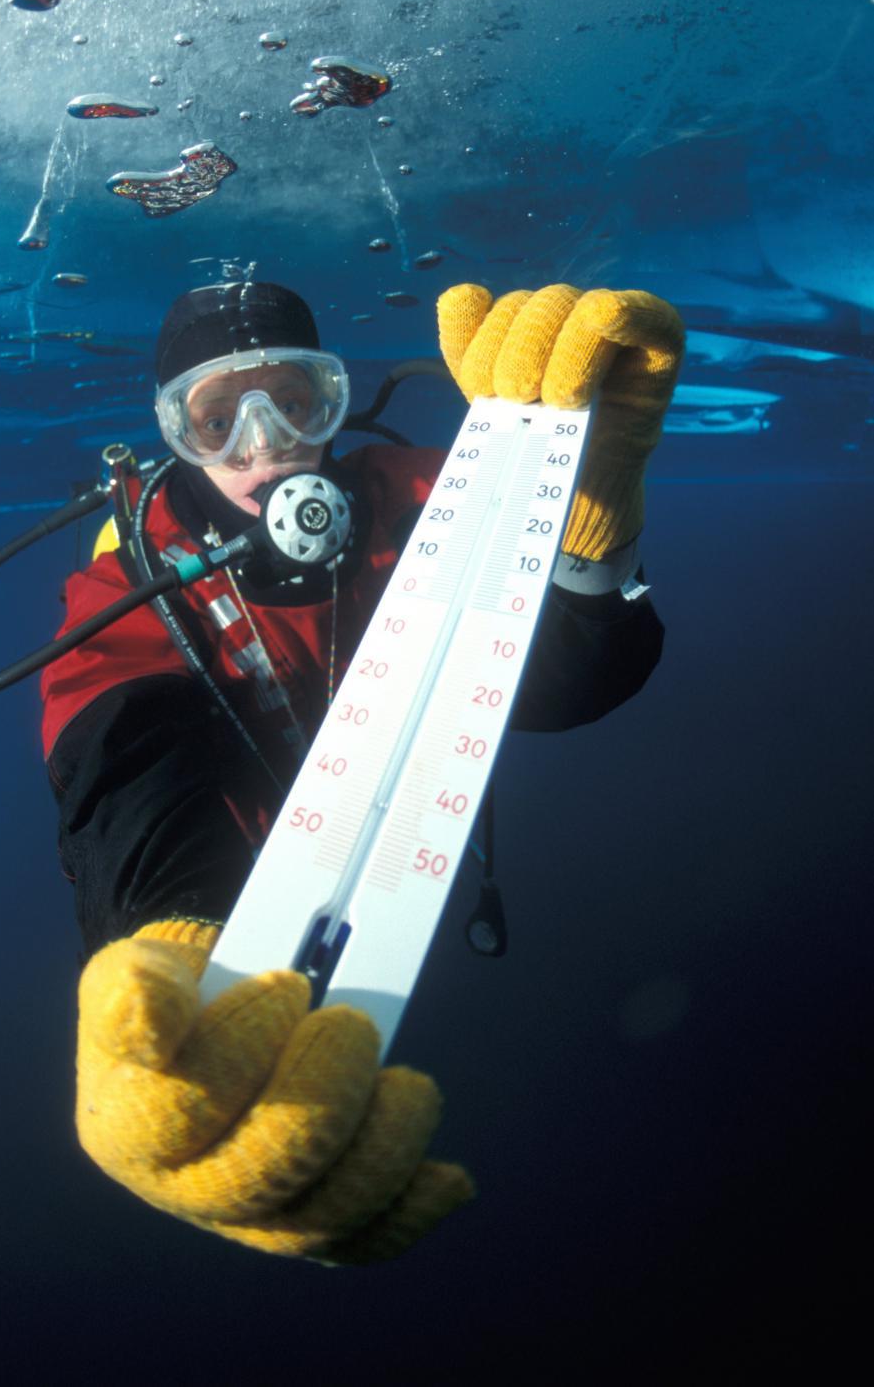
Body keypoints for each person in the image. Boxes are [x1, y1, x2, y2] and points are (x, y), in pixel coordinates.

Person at [41, 277, 685, 1264]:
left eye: (294, 403)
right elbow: (124, 770)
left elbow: (562, 695)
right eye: (217, 418)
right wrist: (167, 946)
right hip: (245, 874)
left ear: (331, 405)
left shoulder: (442, 499)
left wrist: (587, 526)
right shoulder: (124, 585)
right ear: (174, 433)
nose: (263, 447)